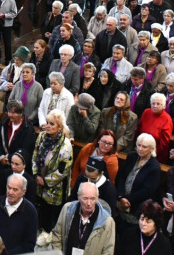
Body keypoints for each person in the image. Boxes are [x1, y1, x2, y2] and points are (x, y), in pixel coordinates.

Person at [33, 109, 73, 244]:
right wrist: (36, 174)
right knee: (40, 207)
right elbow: (35, 155)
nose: (48, 126)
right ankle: (39, 229)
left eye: (52, 124)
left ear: (60, 127)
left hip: (55, 186)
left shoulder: (65, 145)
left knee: (50, 212)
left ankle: (49, 233)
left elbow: (63, 170)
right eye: (47, 122)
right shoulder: (42, 136)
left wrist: (45, 181)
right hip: (39, 180)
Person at [50, 181, 116, 255]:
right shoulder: (67, 210)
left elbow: (108, 250)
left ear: (97, 197)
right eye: (85, 198)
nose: (89, 203)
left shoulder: (107, 221)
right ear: (78, 196)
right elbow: (57, 235)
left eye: (92, 199)